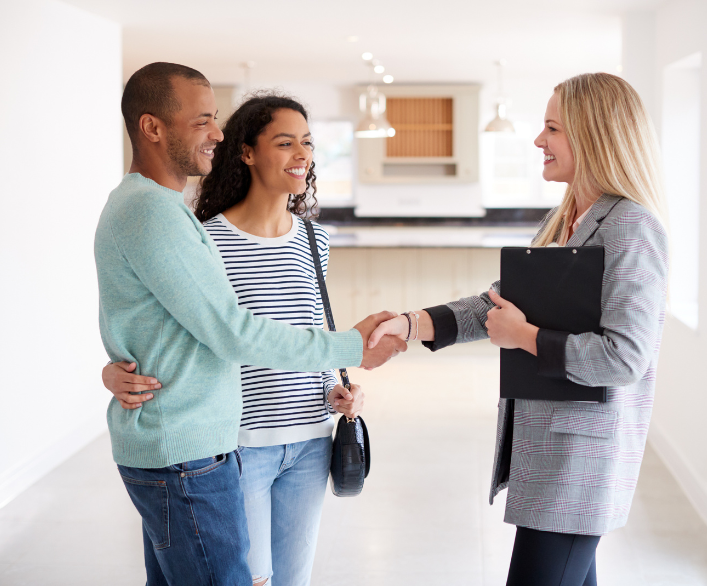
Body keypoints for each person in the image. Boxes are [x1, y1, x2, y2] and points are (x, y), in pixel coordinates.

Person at [96, 63, 405, 586]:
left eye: (307, 142)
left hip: (293, 436)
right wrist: (349, 347)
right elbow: (230, 331)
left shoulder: (173, 213)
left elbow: (155, 320)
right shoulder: (169, 219)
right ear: (153, 127)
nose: (216, 131)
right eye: (203, 121)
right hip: (218, 444)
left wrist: (336, 380)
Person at [368, 72, 669, 586]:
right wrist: (413, 323)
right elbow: (496, 305)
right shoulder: (565, 219)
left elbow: (624, 359)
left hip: (580, 462)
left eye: (552, 128)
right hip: (549, 451)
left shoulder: (630, 227)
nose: (538, 141)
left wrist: (525, 337)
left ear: (592, 135)